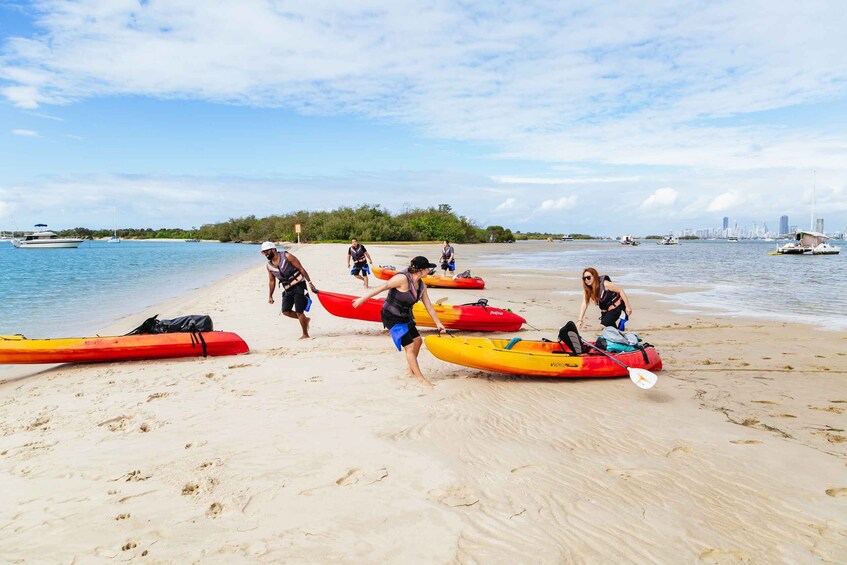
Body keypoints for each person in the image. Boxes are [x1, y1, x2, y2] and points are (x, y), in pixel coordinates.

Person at [352, 256, 447, 385]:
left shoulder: (422, 285)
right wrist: (362, 299)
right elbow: (383, 286)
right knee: (410, 347)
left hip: (405, 315)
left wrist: (438, 323)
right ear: (421, 270)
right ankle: (421, 379)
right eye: (428, 268)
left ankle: (410, 369)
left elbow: (429, 306)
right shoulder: (402, 279)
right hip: (391, 316)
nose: (430, 270)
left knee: (418, 341)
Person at [261, 241, 317, 339]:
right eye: (263, 252)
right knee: (285, 311)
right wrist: (270, 295)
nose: (265, 254)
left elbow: (301, 268)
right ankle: (305, 320)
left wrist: (310, 282)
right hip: (287, 288)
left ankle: (305, 334)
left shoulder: (287, 256)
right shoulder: (269, 266)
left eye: (266, 251)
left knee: (299, 311)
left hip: (299, 285)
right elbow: (271, 281)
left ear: (273, 249)